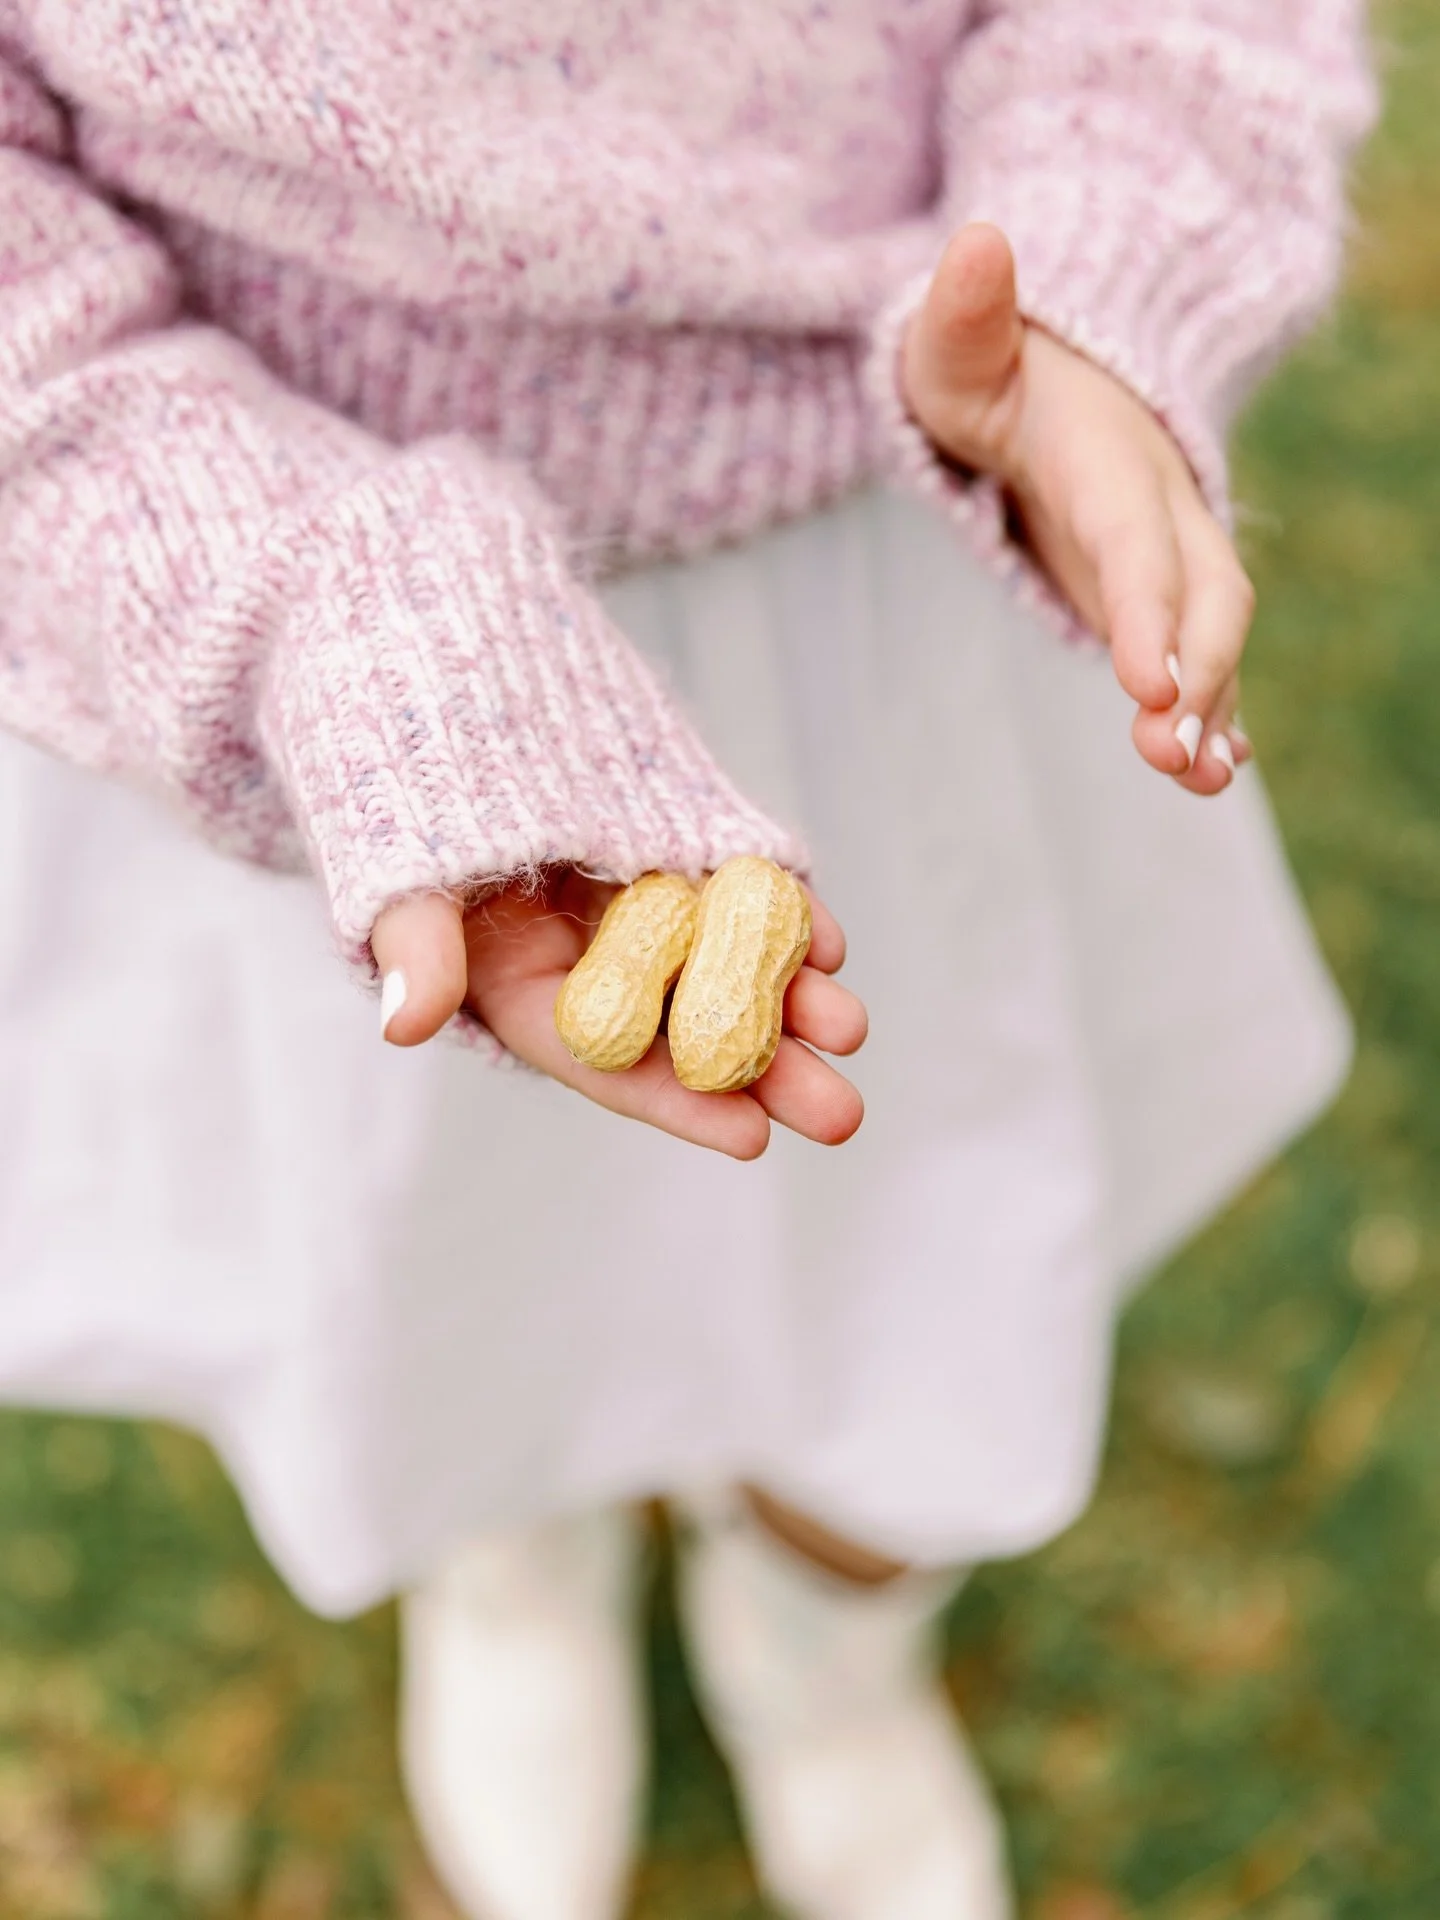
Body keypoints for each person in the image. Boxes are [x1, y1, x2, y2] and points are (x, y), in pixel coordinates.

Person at [0, 3, 1376, 1915]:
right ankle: (514, 1561)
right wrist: (311, 612)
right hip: (323, 669)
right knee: (461, 1263)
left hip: (877, 515)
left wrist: (1090, 269)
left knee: (910, 1230)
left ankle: (826, 1640)